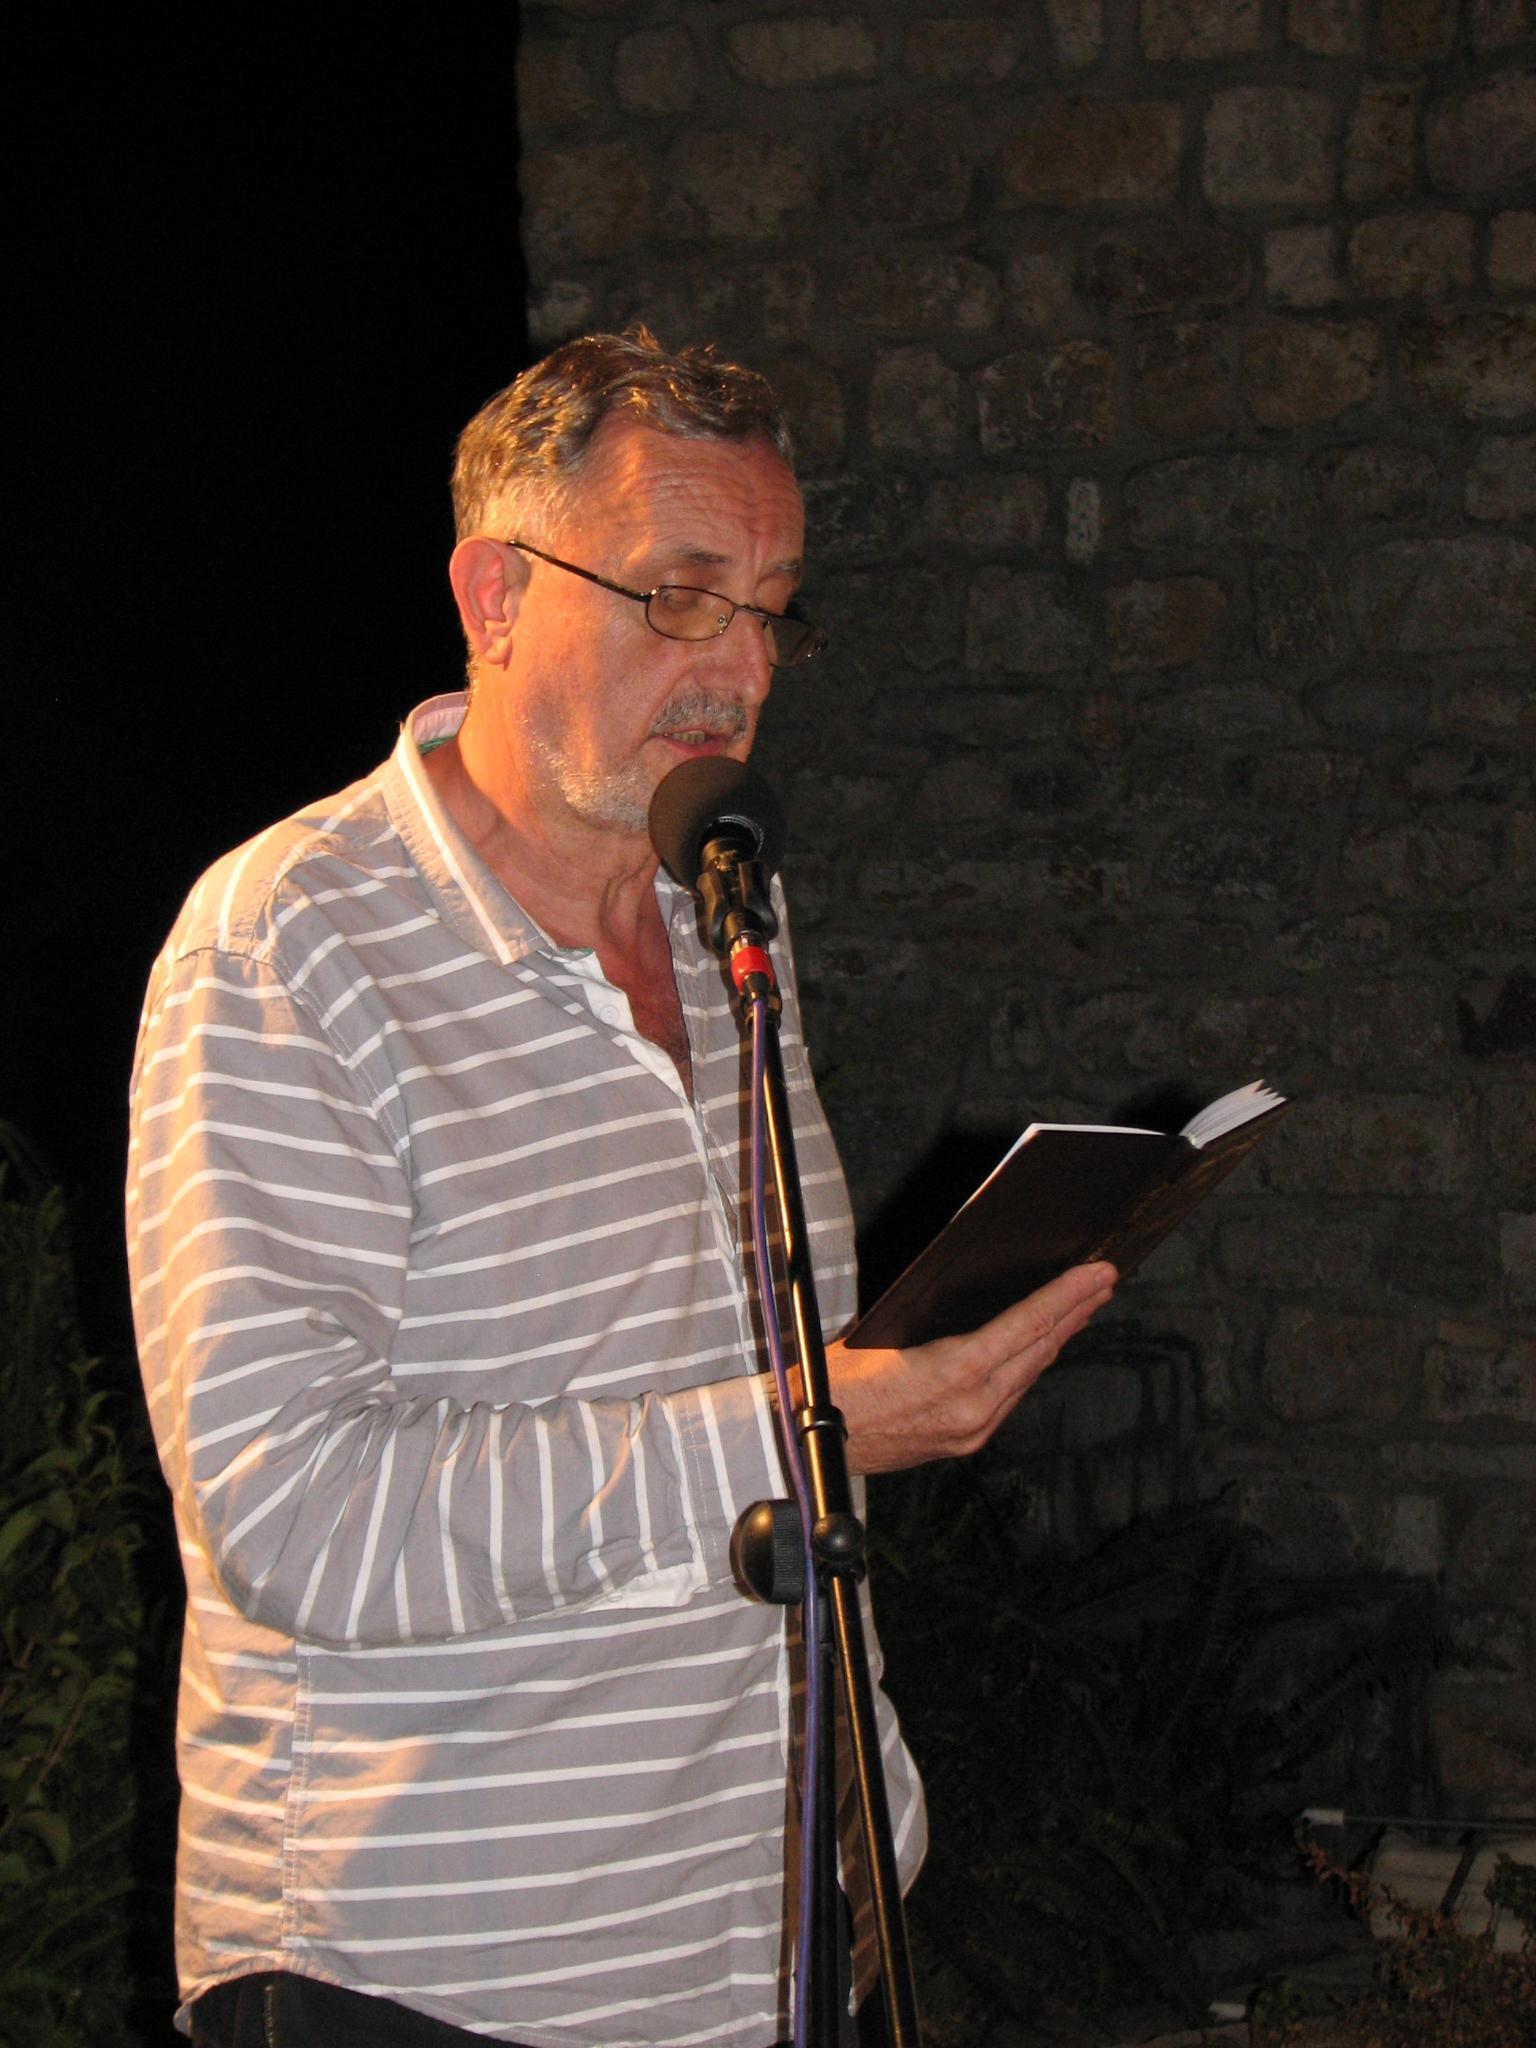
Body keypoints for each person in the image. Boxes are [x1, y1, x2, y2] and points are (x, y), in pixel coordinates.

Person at [127, 329, 1116, 2048]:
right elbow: (290, 1512)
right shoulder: (290, 940)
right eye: (679, 595)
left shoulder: (725, 904)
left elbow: (741, 1367)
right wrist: (810, 1429)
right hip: (444, 1970)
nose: (739, 668)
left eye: (773, 609)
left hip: (775, 1933)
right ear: (494, 594)